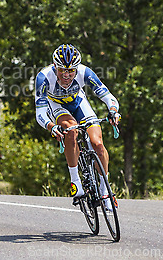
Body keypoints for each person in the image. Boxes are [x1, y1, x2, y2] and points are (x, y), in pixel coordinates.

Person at [35, 44, 121, 209]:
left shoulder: (84, 72)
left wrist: (113, 111)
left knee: (97, 143)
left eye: (71, 71)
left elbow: (108, 96)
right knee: (72, 130)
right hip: (56, 106)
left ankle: (105, 191)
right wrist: (51, 126)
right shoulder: (44, 78)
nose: (66, 75)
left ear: (76, 68)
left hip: (78, 101)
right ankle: (76, 182)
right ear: (55, 66)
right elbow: (40, 112)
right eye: (62, 70)